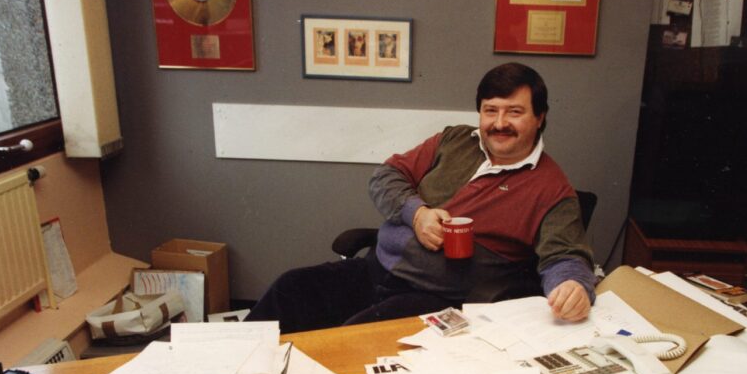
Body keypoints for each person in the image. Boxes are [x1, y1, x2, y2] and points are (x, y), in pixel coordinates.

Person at [247, 62, 596, 331]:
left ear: (540, 117)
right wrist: (417, 213)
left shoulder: (552, 189)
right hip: (374, 270)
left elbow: (565, 258)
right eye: (491, 110)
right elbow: (386, 176)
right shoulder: (454, 140)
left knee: (347, 340)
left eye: (514, 112)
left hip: (435, 298)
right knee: (289, 289)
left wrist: (573, 287)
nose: (499, 123)